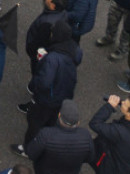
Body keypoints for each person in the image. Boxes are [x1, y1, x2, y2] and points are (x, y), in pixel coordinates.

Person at [13, 20, 81, 155]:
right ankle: (47, 145)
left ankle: (28, 150)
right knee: (51, 121)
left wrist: (41, 62)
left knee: (34, 122)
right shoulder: (75, 49)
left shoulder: (52, 58)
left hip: (47, 98)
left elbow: (44, 82)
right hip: (64, 94)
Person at [25, 99, 93, 174]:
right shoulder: (85, 136)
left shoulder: (46, 134)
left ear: (59, 115)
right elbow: (90, 158)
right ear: (78, 122)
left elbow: (31, 154)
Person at [89, 95, 130, 174]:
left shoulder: (120, 132)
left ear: (129, 114)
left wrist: (109, 106)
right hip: (126, 166)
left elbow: (94, 124)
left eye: (125, 104)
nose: (122, 102)